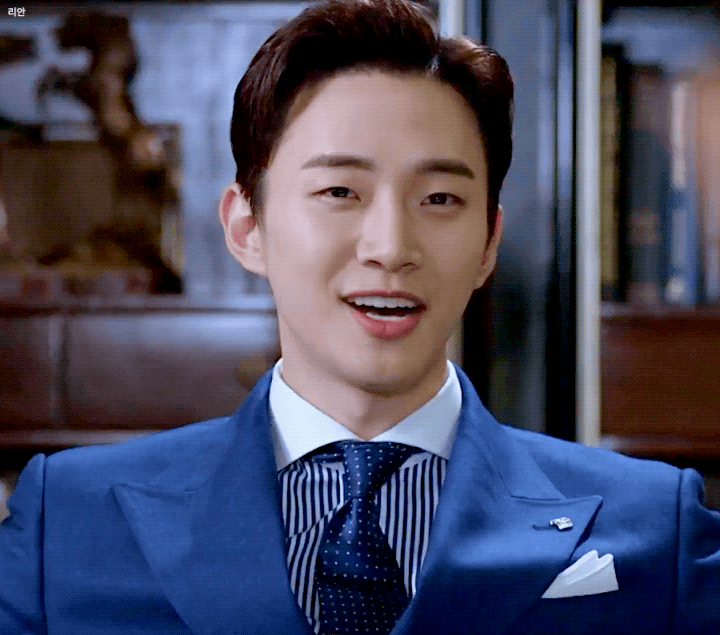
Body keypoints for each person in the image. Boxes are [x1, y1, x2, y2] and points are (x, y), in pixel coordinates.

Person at [1, 0, 719, 633]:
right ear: (247, 227)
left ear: (488, 245)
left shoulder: (656, 526)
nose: (391, 248)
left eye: (439, 199)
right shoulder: (68, 520)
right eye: (340, 191)